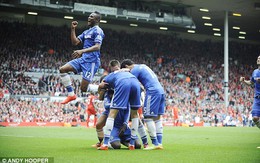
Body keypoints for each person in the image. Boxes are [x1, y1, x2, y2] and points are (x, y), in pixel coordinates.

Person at [59, 11, 105, 104]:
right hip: (83, 59)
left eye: (91, 17)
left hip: (92, 62)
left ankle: (104, 88)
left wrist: (82, 51)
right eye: (89, 16)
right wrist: (72, 29)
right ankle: (71, 95)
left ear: (97, 20)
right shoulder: (86, 32)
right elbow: (75, 42)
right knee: (62, 69)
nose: (89, 18)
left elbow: (97, 47)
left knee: (83, 89)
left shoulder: (98, 31)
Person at [121, 59, 165, 150]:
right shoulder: (143, 66)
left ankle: (155, 143)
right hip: (161, 90)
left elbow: (130, 81)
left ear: (126, 66)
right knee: (157, 118)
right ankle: (159, 143)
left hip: (152, 91)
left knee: (148, 117)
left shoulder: (134, 70)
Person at [97, 60, 141, 150]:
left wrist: (125, 123)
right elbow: (103, 100)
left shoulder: (113, 78)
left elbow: (101, 86)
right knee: (135, 114)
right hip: (136, 83)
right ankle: (129, 143)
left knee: (112, 114)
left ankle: (107, 143)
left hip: (123, 123)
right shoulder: (125, 72)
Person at [240, 55, 260, 129]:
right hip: (257, 99)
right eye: (258, 58)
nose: (258, 59)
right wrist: (244, 81)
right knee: (255, 118)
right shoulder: (255, 72)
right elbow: (251, 82)